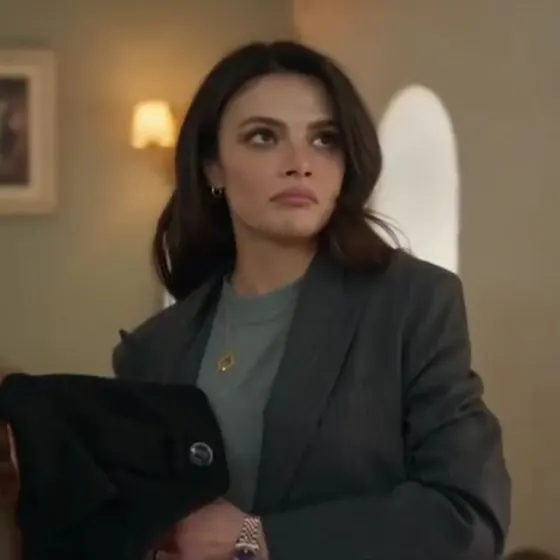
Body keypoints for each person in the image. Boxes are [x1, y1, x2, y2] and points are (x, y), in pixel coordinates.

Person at [113, 40, 511, 560]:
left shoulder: (412, 303)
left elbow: (468, 518)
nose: (300, 163)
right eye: (263, 137)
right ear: (212, 167)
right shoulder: (156, 347)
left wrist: (258, 539)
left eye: (324, 139)